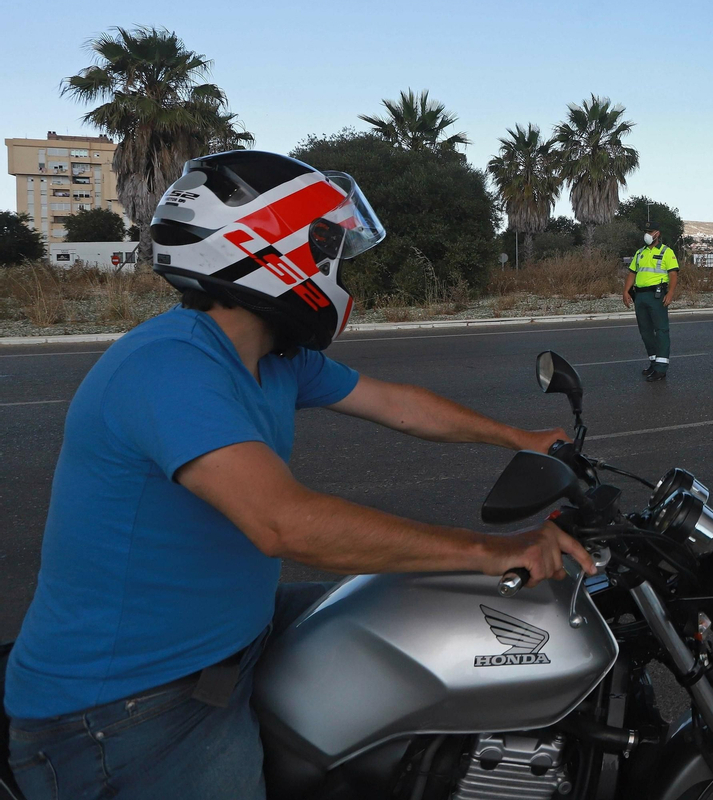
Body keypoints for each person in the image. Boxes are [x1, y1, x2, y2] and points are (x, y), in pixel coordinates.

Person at [3, 151, 594, 800]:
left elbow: (396, 403)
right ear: (267, 248)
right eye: (324, 246)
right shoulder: (169, 367)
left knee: (422, 624)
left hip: (232, 635)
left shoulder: (274, 357)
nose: (333, 265)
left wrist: (519, 436)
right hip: (129, 706)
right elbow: (284, 523)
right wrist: (494, 551)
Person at [624, 226, 679, 381]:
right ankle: (654, 363)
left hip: (657, 295)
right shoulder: (640, 252)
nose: (647, 235)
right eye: (646, 232)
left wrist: (670, 293)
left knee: (661, 331)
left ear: (657, 234)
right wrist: (626, 291)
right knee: (645, 332)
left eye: (650, 232)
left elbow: (673, 274)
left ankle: (661, 368)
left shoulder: (666, 252)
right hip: (640, 296)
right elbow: (632, 273)